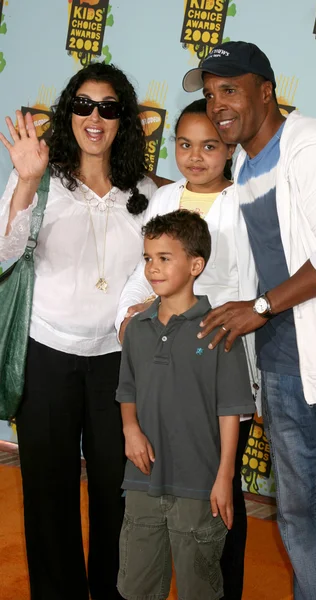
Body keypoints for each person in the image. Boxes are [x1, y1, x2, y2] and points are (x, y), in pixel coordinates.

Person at [182, 41, 316, 600]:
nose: (218, 104)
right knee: (301, 521)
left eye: (229, 89)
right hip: (284, 374)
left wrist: (260, 308)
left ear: (266, 90)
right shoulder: (246, 165)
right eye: (210, 95)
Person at [0, 62, 157, 600]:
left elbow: (160, 268)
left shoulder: (144, 190)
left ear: (124, 120)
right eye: (84, 105)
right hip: (46, 357)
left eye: (109, 108)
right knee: (48, 492)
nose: (95, 117)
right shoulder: (39, 178)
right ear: (68, 113)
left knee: (119, 492)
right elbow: (3, 253)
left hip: (119, 362)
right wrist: (23, 181)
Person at [116, 98, 258, 600]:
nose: (195, 156)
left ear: (230, 149)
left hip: (216, 352)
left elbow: (250, 279)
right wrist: (129, 316)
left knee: (216, 499)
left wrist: (219, 326)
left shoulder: (245, 200)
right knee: (152, 496)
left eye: (210, 146)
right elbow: (142, 271)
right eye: (184, 144)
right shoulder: (165, 197)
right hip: (162, 355)